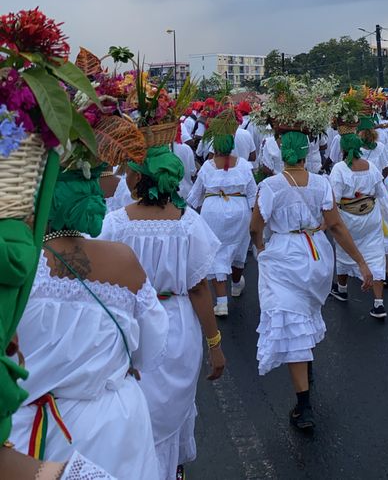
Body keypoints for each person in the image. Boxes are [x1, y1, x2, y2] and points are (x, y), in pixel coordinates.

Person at [12, 168, 169, 480]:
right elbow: (151, 351)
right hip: (115, 424)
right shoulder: (124, 259)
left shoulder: (19, 263)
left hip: (32, 429)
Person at [101, 145, 225, 480]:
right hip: (177, 325)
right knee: (174, 408)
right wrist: (215, 343)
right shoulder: (188, 223)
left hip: (131, 325)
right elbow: (199, 288)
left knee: (135, 407)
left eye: (129, 171)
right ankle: (172, 470)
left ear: (140, 179)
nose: (125, 176)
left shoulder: (115, 223)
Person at [250, 131, 372, 431]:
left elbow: (255, 227)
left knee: (290, 322)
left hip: (286, 255)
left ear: (280, 153)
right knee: (304, 313)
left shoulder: (269, 187)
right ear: (307, 153)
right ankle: (307, 366)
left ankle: (304, 407)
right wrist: (360, 261)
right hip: (318, 254)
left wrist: (263, 248)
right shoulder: (322, 183)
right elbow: (336, 227)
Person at [187, 113, 257, 316]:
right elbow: (253, 194)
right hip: (239, 209)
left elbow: (194, 197)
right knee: (238, 248)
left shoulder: (208, 167)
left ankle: (221, 302)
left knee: (216, 252)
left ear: (215, 147)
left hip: (212, 211)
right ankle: (236, 284)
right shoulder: (243, 165)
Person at [329, 132, 388, 319]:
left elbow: (333, 198)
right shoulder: (371, 166)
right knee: (375, 253)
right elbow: (380, 192)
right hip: (371, 216)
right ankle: (378, 303)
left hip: (348, 218)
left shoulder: (340, 169)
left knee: (343, 251)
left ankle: (342, 289)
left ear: (342, 148)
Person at [358, 116, 388, 287]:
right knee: (385, 231)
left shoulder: (356, 150)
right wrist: (378, 182)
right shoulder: (382, 147)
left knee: (364, 233)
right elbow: (385, 170)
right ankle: (387, 271)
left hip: (361, 194)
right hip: (380, 192)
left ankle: (365, 268)